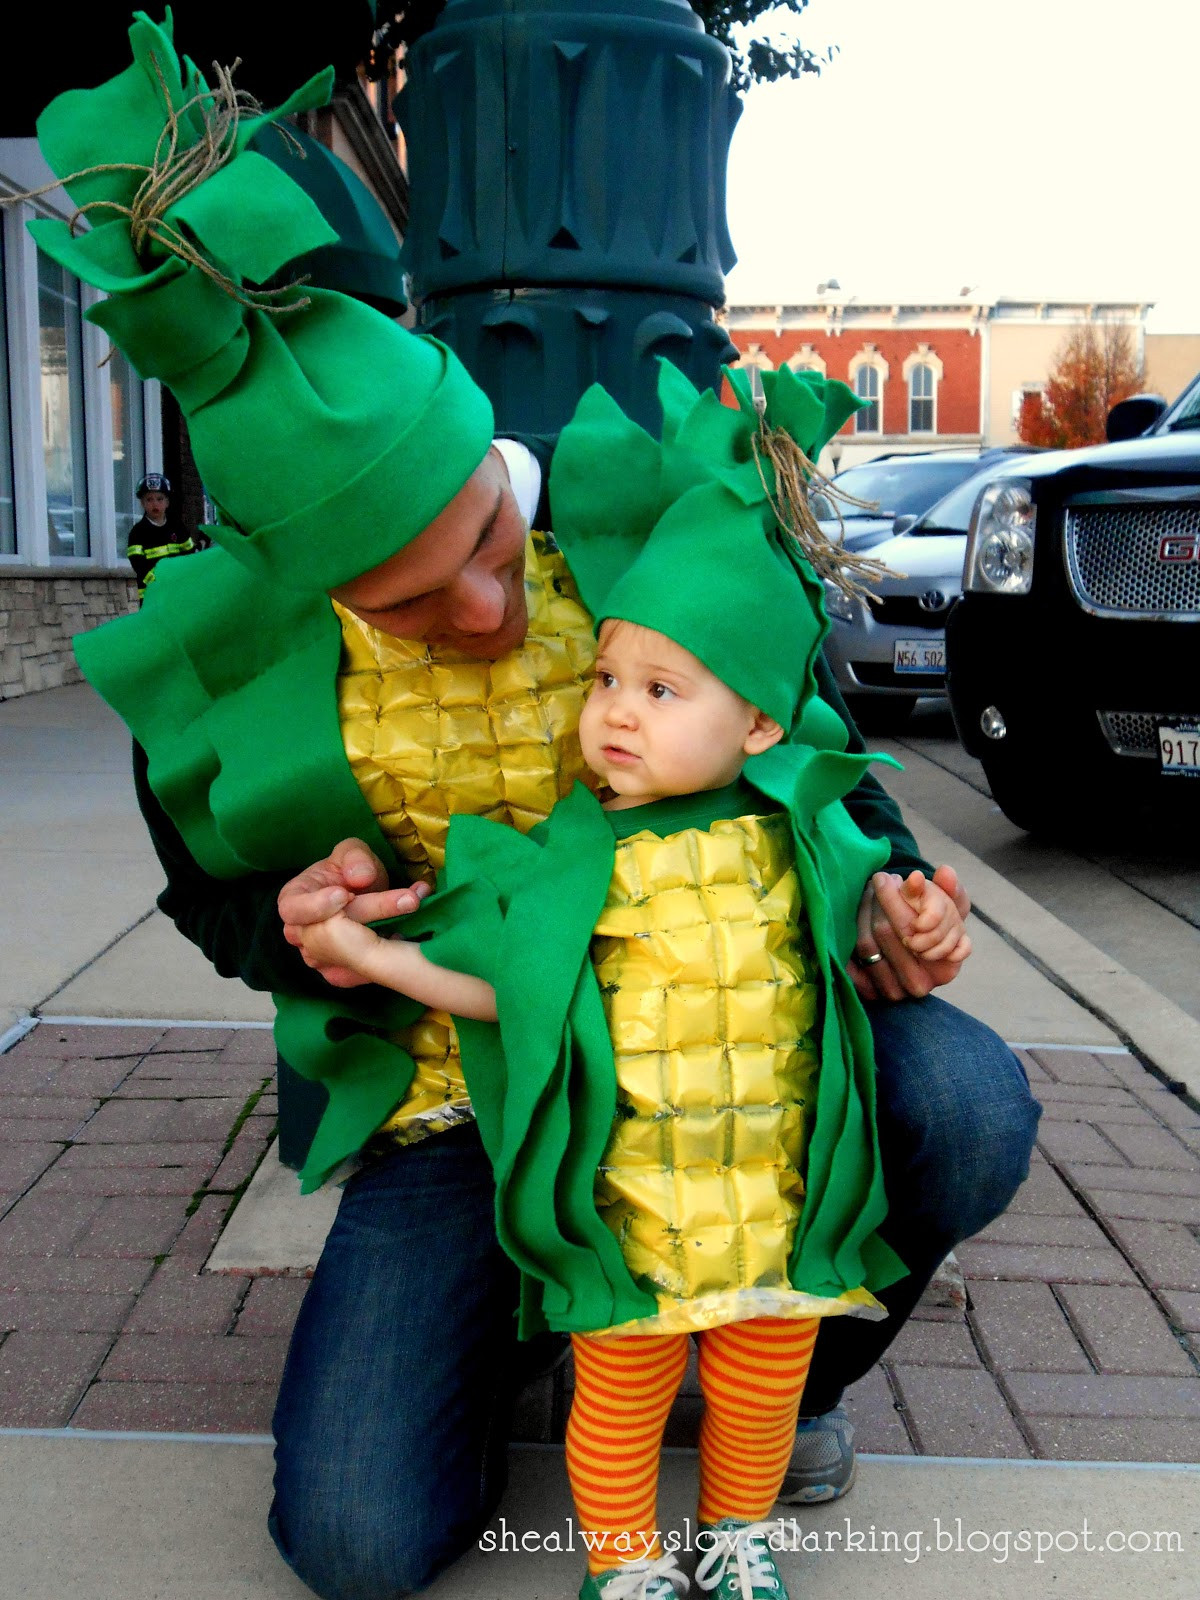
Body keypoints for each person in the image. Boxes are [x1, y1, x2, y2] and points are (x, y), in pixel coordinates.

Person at [33, 19, 1041, 1600]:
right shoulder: (244, 657)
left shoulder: (636, 510)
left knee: (968, 1101)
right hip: (471, 1084)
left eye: (491, 540)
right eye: (418, 605)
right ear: (321, 594)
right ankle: (567, 1329)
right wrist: (297, 932)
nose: (490, 611)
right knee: (357, 1546)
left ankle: (772, 1382)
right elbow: (215, 897)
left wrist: (898, 889)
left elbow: (805, 742)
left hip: (731, 1047)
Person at [295, 372, 973, 1600]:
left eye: (658, 692)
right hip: (625, 1198)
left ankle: (738, 1525)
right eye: (605, 680)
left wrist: (905, 893)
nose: (610, 713)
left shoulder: (790, 813)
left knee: (770, 1370)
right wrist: (372, 953)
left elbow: (861, 847)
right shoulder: (581, 847)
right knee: (584, 1403)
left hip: (772, 1197)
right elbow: (519, 978)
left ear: (760, 725)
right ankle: (621, 1555)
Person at [125, 472, 197, 603]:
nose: (155, 504)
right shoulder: (137, 533)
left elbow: (191, 556)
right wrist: (160, 582)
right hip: (153, 597)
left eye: (159, 499)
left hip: (180, 593)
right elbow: (139, 567)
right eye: (149, 499)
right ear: (142, 503)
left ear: (167, 502)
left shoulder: (178, 528)